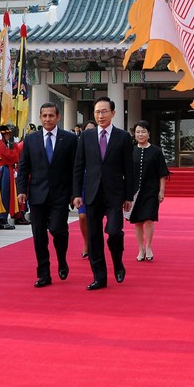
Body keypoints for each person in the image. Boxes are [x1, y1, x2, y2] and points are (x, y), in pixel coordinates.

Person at [73, 96, 133, 290]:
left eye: (104, 111)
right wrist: (76, 193)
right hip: (91, 193)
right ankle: (99, 277)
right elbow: (78, 166)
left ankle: (117, 261)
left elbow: (128, 169)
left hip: (114, 193)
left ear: (113, 113)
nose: (101, 115)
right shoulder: (86, 137)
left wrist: (129, 196)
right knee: (94, 237)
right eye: (97, 112)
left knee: (114, 232)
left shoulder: (123, 137)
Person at [17, 102, 78, 287]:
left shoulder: (69, 139)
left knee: (58, 230)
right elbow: (24, 167)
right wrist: (21, 190)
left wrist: (75, 193)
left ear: (58, 117)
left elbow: (76, 169)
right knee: (39, 234)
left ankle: (62, 260)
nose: (47, 119)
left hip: (61, 194)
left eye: (51, 116)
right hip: (37, 194)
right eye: (44, 116)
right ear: (40, 117)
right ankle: (44, 273)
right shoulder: (31, 139)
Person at [128, 120, 169, 262]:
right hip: (134, 191)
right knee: (138, 221)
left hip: (151, 191)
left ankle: (149, 246)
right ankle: (140, 249)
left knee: (149, 220)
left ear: (149, 134)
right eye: (138, 131)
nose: (140, 134)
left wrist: (161, 191)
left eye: (143, 131)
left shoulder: (156, 151)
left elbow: (162, 173)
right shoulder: (131, 150)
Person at [77, 120, 97, 258]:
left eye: (92, 129)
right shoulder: (79, 144)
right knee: (83, 216)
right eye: (87, 129)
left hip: (96, 184)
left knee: (94, 217)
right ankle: (86, 242)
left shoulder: (101, 144)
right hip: (83, 184)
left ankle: (94, 244)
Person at [0, 125, 20, 230]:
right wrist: (15, 146)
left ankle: (4, 217)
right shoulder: (0, 144)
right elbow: (9, 157)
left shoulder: (6, 144)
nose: (9, 136)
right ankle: (1, 218)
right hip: (3, 168)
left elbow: (14, 158)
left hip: (8, 169)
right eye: (7, 134)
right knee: (3, 194)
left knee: (8, 194)